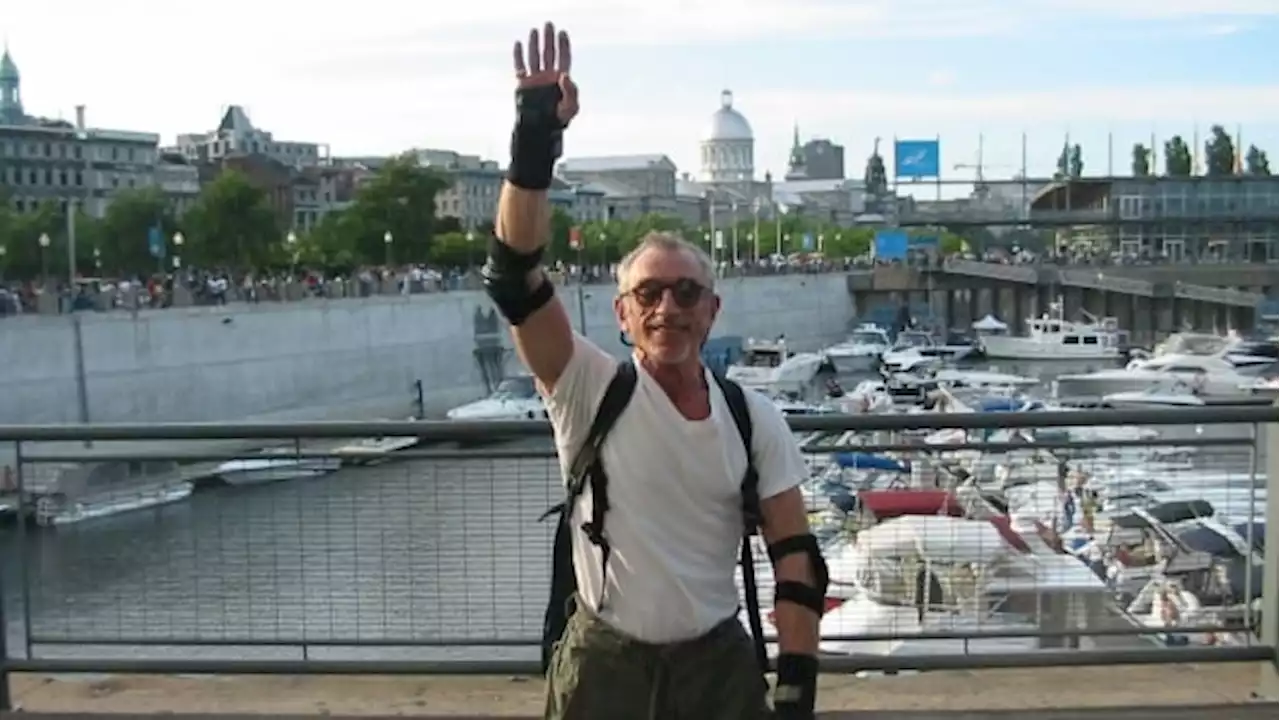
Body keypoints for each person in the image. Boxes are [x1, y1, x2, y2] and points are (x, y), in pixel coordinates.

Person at [482, 22, 826, 720]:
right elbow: (514, 277)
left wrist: (794, 695)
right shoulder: (588, 389)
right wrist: (535, 138)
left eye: (687, 293)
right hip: (607, 665)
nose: (668, 307)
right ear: (622, 314)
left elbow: (796, 559)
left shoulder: (752, 418)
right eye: (649, 294)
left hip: (717, 668)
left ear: (713, 310)